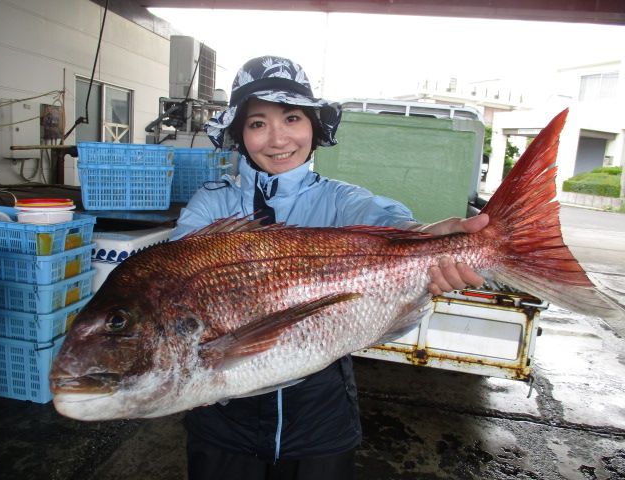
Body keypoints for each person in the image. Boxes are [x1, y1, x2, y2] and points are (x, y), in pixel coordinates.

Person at [172, 55, 489, 480]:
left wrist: (431, 240)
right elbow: (174, 279)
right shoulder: (212, 203)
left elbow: (391, 226)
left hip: (320, 420)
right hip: (223, 425)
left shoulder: (342, 200)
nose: (278, 138)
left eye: (292, 118)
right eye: (258, 123)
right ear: (241, 134)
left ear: (314, 127)